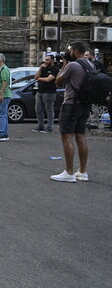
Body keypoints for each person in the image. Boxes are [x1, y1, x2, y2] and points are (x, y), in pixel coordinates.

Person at [50, 42, 92, 183]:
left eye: (70, 51)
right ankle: (82, 171)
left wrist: (64, 64)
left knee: (66, 137)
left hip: (71, 104)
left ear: (75, 51)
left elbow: (58, 81)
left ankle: (69, 172)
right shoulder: (90, 64)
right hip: (85, 105)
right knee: (80, 136)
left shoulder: (72, 65)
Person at [33, 54, 59, 133]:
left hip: (49, 92)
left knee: (49, 110)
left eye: (48, 60)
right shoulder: (43, 68)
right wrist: (40, 68)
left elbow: (48, 79)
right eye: (45, 60)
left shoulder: (55, 69)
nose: (46, 61)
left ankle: (49, 127)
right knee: (38, 109)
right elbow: (35, 77)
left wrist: (39, 79)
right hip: (40, 92)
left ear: (52, 60)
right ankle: (40, 125)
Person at [84, 50, 104, 129]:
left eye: (87, 55)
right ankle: (89, 121)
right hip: (89, 87)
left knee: (94, 105)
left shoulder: (98, 64)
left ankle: (94, 122)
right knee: (88, 105)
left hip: (96, 87)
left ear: (91, 55)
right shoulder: (87, 64)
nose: (85, 57)